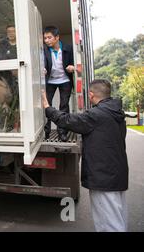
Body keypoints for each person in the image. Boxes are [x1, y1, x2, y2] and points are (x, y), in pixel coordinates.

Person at [42, 80, 129, 232]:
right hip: (116, 175)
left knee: (109, 224)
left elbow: (67, 120)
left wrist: (47, 108)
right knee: (118, 217)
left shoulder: (96, 115)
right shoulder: (117, 113)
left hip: (104, 178)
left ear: (91, 94)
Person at [43, 26, 75, 142]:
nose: (46, 40)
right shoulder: (44, 50)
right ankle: (46, 132)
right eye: (45, 38)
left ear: (57, 37)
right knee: (46, 106)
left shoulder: (68, 48)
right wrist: (43, 69)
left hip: (65, 80)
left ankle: (62, 132)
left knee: (64, 106)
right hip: (50, 81)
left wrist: (73, 67)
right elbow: (42, 64)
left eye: (49, 37)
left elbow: (74, 62)